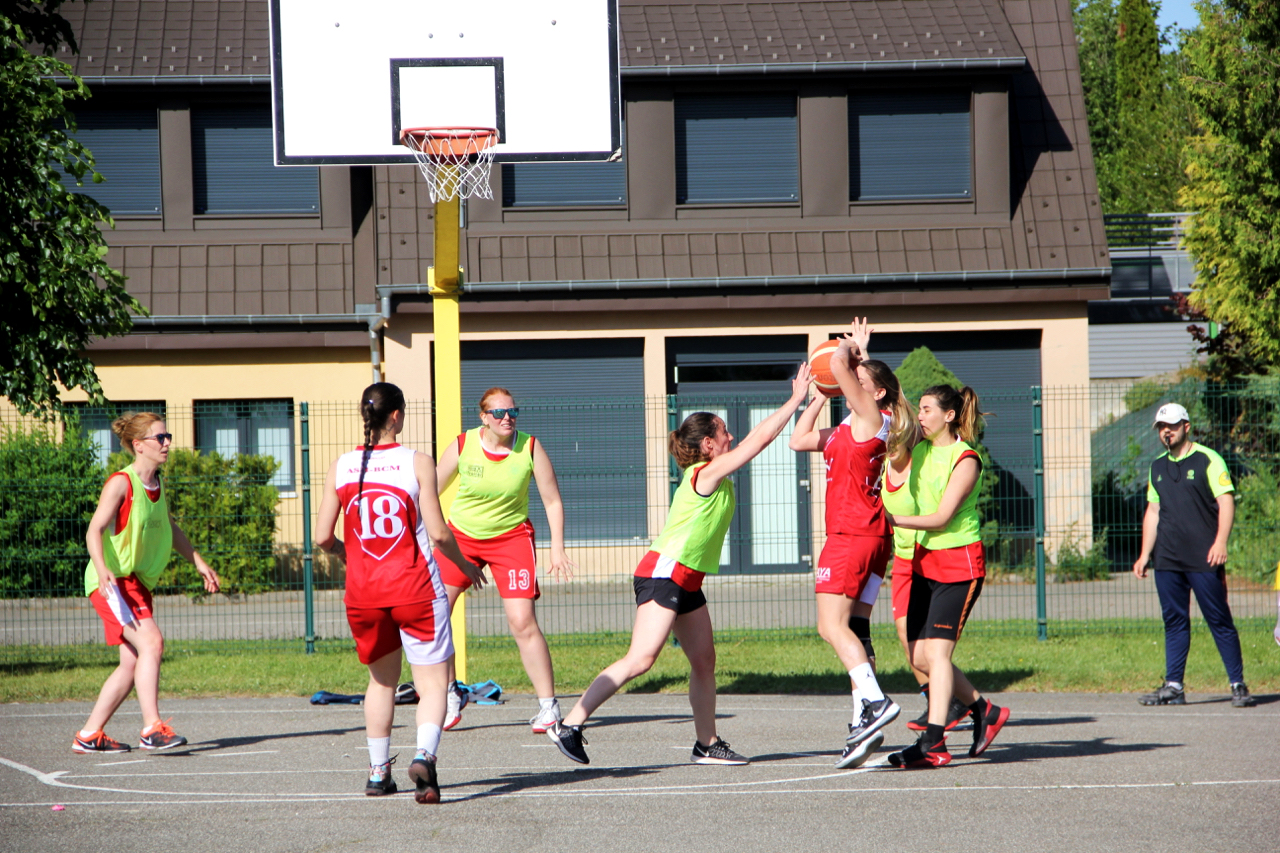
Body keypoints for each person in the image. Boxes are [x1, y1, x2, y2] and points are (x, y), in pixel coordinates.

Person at [546, 364, 814, 766]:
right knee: (641, 659)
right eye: (725, 432)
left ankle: (707, 743)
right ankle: (569, 724)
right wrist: (795, 400)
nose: (731, 437)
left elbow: (753, 443)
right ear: (708, 444)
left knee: (704, 661)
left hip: (686, 578)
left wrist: (821, 395)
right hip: (664, 573)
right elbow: (758, 441)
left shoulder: (713, 475)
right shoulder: (703, 474)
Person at [315, 383, 486, 804]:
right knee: (433, 684)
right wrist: (466, 566)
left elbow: (322, 538)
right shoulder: (417, 462)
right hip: (415, 589)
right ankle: (424, 757)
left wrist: (347, 554)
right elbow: (439, 533)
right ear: (396, 416)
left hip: (364, 594)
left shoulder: (341, 466)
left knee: (381, 682)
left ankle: (378, 773)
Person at [789, 320, 907, 769]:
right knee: (856, 629)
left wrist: (850, 351)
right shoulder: (850, 427)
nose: (851, 379)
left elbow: (840, 365)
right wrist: (820, 393)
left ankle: (875, 702)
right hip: (871, 538)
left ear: (877, 393)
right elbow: (799, 440)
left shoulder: (874, 421)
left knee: (830, 626)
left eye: (860, 379)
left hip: (851, 536)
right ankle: (863, 722)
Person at [75, 412, 221, 754]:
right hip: (111, 581)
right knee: (152, 642)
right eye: (160, 438)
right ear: (138, 445)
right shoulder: (121, 483)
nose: (167, 443)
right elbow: (94, 530)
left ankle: (90, 734)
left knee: (132, 661)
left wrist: (198, 561)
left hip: (135, 582)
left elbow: (169, 527)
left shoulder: (157, 484)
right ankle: (152, 729)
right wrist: (102, 567)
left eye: (167, 436)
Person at [434, 387, 577, 733]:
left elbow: (552, 501)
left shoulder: (530, 447)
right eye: (499, 413)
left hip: (510, 538)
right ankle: (451, 693)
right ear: (484, 417)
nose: (507, 418)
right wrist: (430, 533)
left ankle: (548, 707)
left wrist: (557, 547)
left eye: (512, 411)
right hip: (462, 537)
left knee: (522, 621)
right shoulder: (463, 444)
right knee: (436, 614)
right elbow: (429, 490)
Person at [885, 385, 1010, 768]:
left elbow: (941, 518)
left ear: (949, 415)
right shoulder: (919, 450)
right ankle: (985, 710)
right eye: (919, 409)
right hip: (924, 563)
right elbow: (891, 411)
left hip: (959, 564)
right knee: (919, 655)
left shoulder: (966, 459)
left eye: (927, 409)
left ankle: (934, 742)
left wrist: (892, 521)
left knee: (937, 654)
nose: (920, 416)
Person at [1132, 403, 1255, 708]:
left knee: (1219, 619)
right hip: (1167, 559)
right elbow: (1153, 511)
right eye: (1162, 427)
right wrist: (1145, 554)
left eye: (1172, 426)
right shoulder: (1156, 467)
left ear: (1186, 427)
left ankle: (1238, 685)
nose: (1167, 432)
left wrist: (1221, 542)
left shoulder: (1208, 459)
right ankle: (1174, 686)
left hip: (1204, 557)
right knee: (1174, 621)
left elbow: (1226, 502)